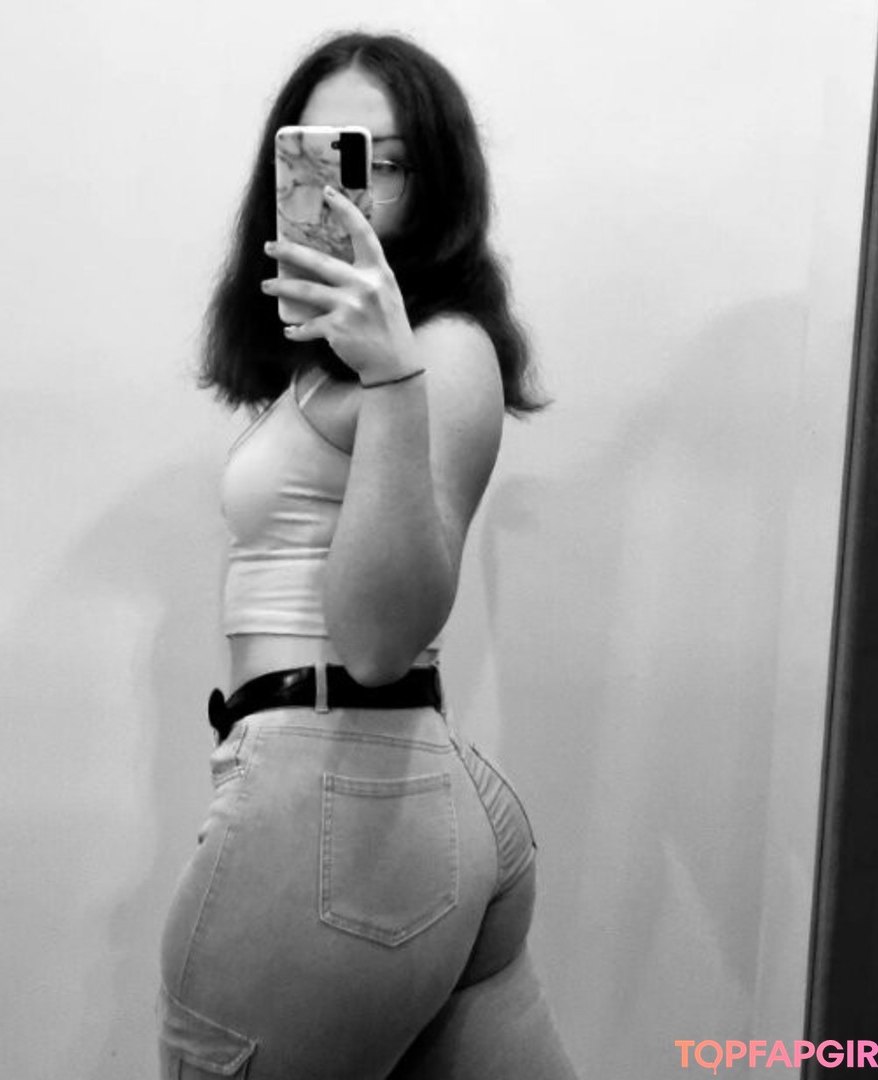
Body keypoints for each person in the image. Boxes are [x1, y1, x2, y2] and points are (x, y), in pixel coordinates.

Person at [157, 31, 579, 1080]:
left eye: (381, 162)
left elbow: (383, 641)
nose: (349, 190)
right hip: (367, 800)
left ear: (435, 184)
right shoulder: (322, 369)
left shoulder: (442, 351)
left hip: (339, 792)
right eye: (319, 155)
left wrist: (393, 377)